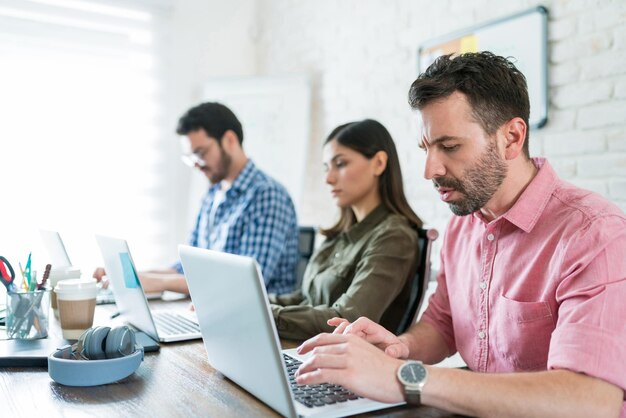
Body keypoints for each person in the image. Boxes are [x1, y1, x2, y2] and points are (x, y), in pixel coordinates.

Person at [294, 52, 626, 417]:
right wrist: (398, 349)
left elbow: (592, 401)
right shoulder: (463, 223)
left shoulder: (595, 234)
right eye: (426, 148)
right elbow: (444, 323)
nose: (430, 169)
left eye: (450, 147)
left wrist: (405, 376)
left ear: (512, 138)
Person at [94, 102, 299, 295]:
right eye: (191, 157)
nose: (196, 164)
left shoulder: (267, 195)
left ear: (229, 140)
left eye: (200, 153)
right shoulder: (213, 195)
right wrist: (130, 275)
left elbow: (244, 284)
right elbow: (188, 267)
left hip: (262, 321)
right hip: (210, 309)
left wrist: (159, 283)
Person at [270, 119, 422, 340]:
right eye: (326, 168)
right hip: (308, 350)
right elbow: (305, 298)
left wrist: (267, 315)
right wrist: (254, 303)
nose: (329, 178)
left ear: (378, 163)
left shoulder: (394, 236)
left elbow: (346, 319)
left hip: (345, 364)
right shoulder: (342, 233)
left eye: (340, 164)